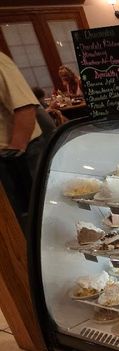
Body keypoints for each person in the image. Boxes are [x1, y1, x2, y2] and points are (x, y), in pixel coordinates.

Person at [0, 52, 43, 228]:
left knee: (32, 219)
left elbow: (25, 108)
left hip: (18, 155)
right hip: (10, 158)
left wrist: (14, 154)